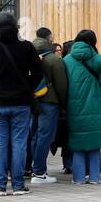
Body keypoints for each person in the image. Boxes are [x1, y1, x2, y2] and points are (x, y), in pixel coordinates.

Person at [0, 12, 45, 196]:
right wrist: (27, 87)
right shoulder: (26, 47)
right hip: (21, 102)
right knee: (19, 143)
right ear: (15, 26)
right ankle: (19, 184)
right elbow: (38, 73)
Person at [63, 30, 101, 185]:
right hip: (96, 105)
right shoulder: (99, 60)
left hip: (73, 106)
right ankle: (95, 177)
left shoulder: (66, 61)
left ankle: (78, 178)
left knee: (77, 143)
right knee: (94, 143)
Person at [30, 27, 69, 185]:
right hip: (49, 101)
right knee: (45, 136)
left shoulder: (28, 52)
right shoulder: (53, 59)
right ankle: (39, 172)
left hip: (31, 100)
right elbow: (61, 85)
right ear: (50, 38)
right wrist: (63, 104)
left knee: (34, 135)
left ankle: (35, 168)